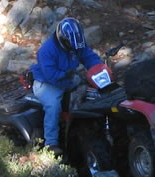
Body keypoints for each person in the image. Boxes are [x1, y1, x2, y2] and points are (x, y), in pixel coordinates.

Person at [29, 17, 102, 155]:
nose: (74, 47)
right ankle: (51, 143)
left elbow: (87, 55)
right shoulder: (46, 50)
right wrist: (71, 81)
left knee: (92, 95)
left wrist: (99, 67)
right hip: (46, 82)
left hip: (69, 77)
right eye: (71, 44)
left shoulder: (76, 43)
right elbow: (51, 75)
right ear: (63, 39)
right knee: (53, 105)